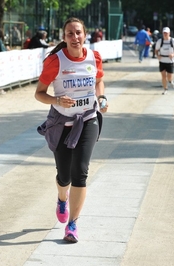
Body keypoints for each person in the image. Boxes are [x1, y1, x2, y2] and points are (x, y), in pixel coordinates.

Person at [35, 17, 108, 243]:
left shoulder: (93, 58)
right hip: (62, 124)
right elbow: (39, 93)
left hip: (87, 120)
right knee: (64, 176)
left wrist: (102, 97)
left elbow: (99, 82)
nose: (75, 37)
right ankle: (61, 198)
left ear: (85, 34)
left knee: (81, 172)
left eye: (78, 33)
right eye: (70, 34)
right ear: (64, 37)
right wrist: (56, 99)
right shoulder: (55, 62)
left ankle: (73, 224)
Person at [155, 27, 174, 95]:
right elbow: (156, 50)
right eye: (164, 33)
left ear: (169, 33)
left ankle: (170, 81)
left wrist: (173, 54)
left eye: (166, 33)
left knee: (169, 76)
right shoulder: (160, 41)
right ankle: (165, 89)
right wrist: (158, 55)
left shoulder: (173, 41)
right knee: (163, 76)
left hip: (170, 61)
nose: (165, 34)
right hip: (162, 60)